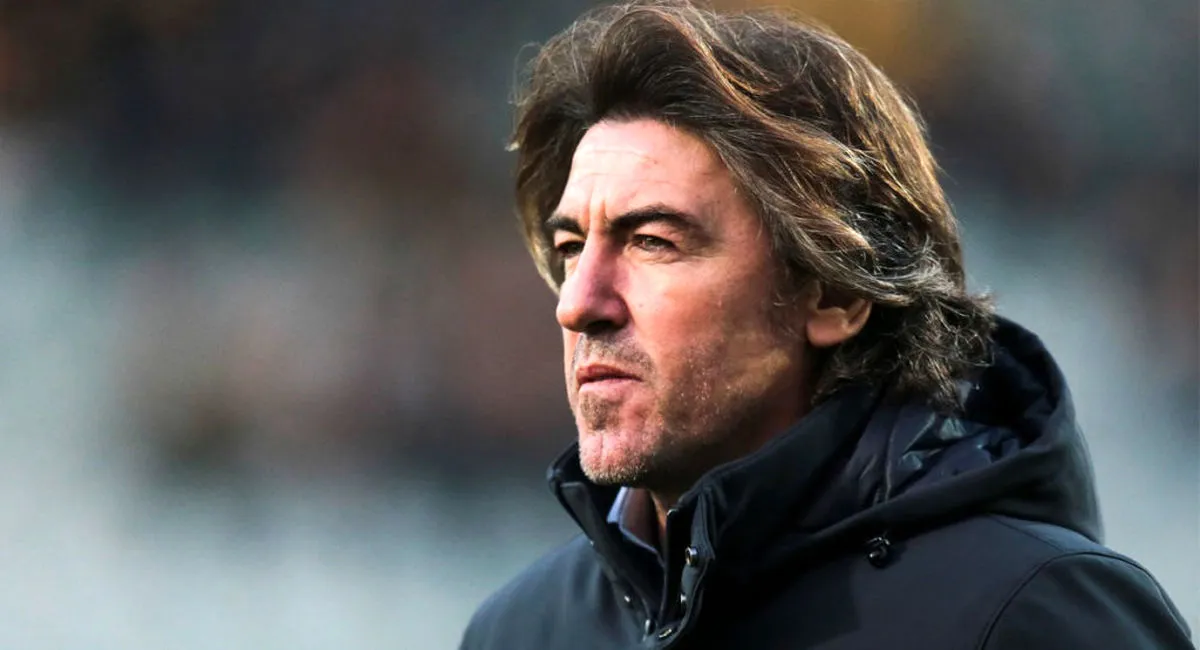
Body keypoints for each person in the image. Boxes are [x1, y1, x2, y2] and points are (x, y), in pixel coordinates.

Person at [458, 2, 1194, 648]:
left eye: (653, 241)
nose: (578, 302)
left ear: (836, 296)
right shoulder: (518, 632)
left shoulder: (1029, 615)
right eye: (570, 248)